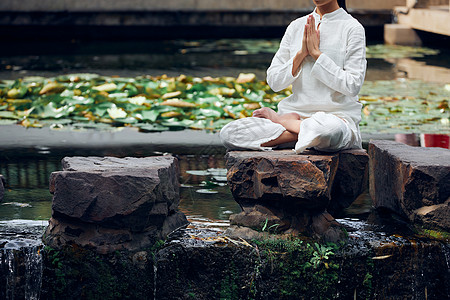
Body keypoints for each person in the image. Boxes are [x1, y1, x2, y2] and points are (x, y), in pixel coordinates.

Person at [220, 0, 366, 154]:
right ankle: (305, 136)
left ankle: (287, 127)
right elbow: (274, 81)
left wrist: (317, 54)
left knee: (328, 131)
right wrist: (301, 54)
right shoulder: (296, 26)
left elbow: (353, 85)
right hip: (295, 113)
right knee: (230, 133)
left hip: (335, 119)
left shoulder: (352, 27)